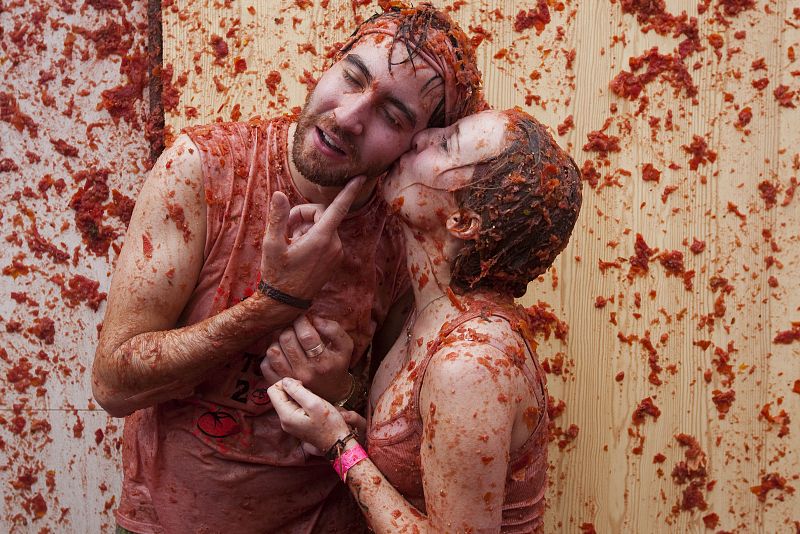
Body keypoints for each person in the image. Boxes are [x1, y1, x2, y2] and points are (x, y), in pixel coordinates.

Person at [91, 4, 485, 533]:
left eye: (392, 116)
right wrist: (273, 302)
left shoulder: (405, 229)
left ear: (414, 144)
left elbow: (396, 425)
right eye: (352, 77)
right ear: (328, 64)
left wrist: (340, 390)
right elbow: (114, 384)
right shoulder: (205, 170)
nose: (348, 116)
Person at [268, 108, 582, 533]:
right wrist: (355, 426)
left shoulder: (471, 364)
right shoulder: (432, 312)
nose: (421, 136)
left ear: (463, 222)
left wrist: (339, 447)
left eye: (447, 143)